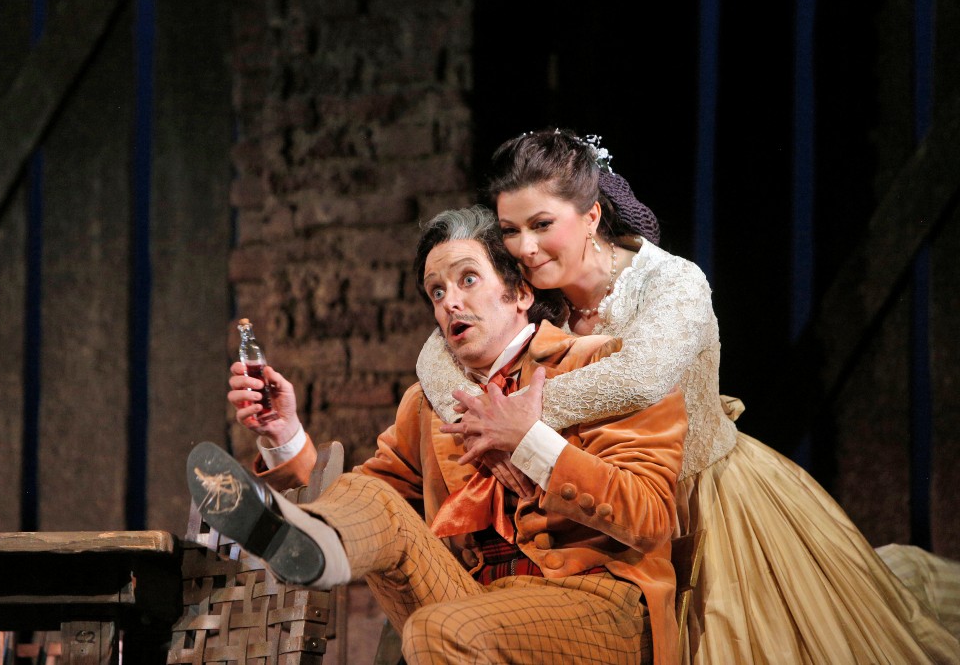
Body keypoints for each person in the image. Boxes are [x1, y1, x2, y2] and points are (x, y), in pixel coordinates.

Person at [415, 129, 960, 663]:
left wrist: (523, 416)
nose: (525, 248)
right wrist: (482, 422)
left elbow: (640, 378)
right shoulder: (538, 288)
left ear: (591, 216)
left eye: (541, 225)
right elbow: (433, 354)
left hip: (707, 502)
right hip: (599, 513)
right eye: (510, 230)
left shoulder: (672, 283)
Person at [189, 206, 690, 664]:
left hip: (597, 606)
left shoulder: (601, 366)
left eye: (467, 279)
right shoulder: (430, 404)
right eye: (437, 292)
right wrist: (285, 434)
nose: (451, 302)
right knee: (374, 495)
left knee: (440, 629)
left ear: (519, 292)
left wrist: (531, 442)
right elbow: (368, 509)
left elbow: (651, 515)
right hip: (476, 600)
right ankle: (300, 538)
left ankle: (306, 539)